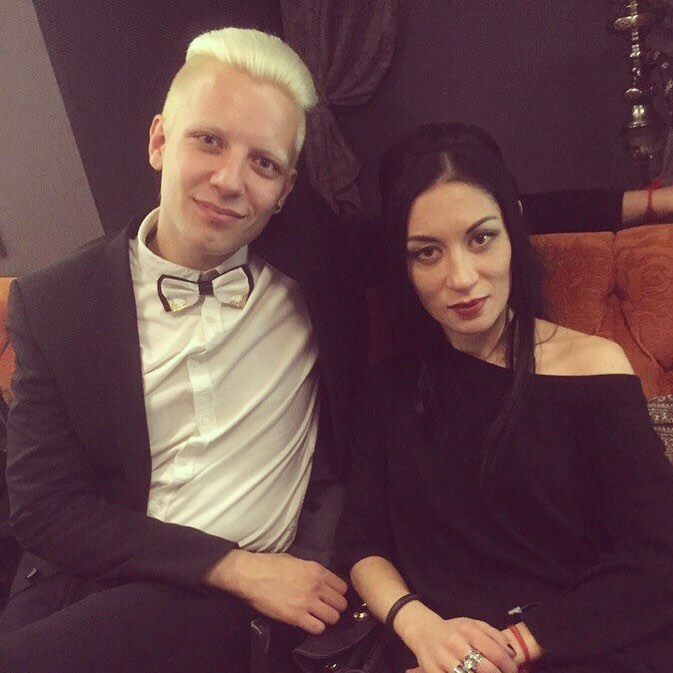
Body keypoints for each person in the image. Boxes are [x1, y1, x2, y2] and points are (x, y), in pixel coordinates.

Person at [0, 27, 359, 673]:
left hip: (219, 619)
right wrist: (235, 567)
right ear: (160, 140)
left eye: (263, 163)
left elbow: (444, 224)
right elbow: (45, 508)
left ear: (285, 189)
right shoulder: (55, 302)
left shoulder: (320, 275)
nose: (230, 180)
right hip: (80, 584)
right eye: (209, 140)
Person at [336, 122, 673, 673]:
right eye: (427, 252)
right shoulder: (385, 390)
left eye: (481, 238)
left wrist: (504, 649)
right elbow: (361, 545)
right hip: (434, 650)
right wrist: (419, 627)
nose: (462, 277)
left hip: (584, 643)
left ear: (513, 229)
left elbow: (658, 556)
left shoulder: (594, 366)